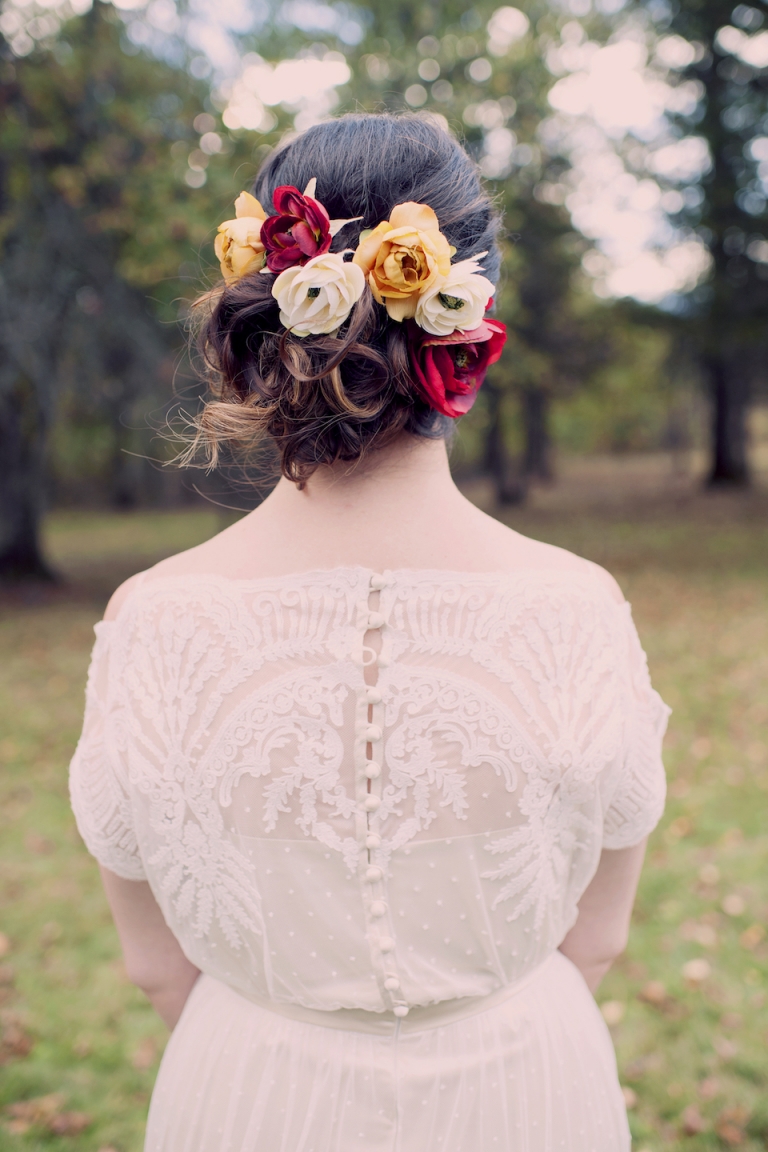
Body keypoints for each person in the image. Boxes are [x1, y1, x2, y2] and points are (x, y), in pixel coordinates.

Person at [69, 113, 669, 1152]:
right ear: (471, 312)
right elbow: (599, 936)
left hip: (248, 1096)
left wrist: (296, 1056)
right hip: (528, 1092)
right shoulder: (576, 607)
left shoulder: (153, 618)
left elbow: (155, 965)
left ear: (262, 305)